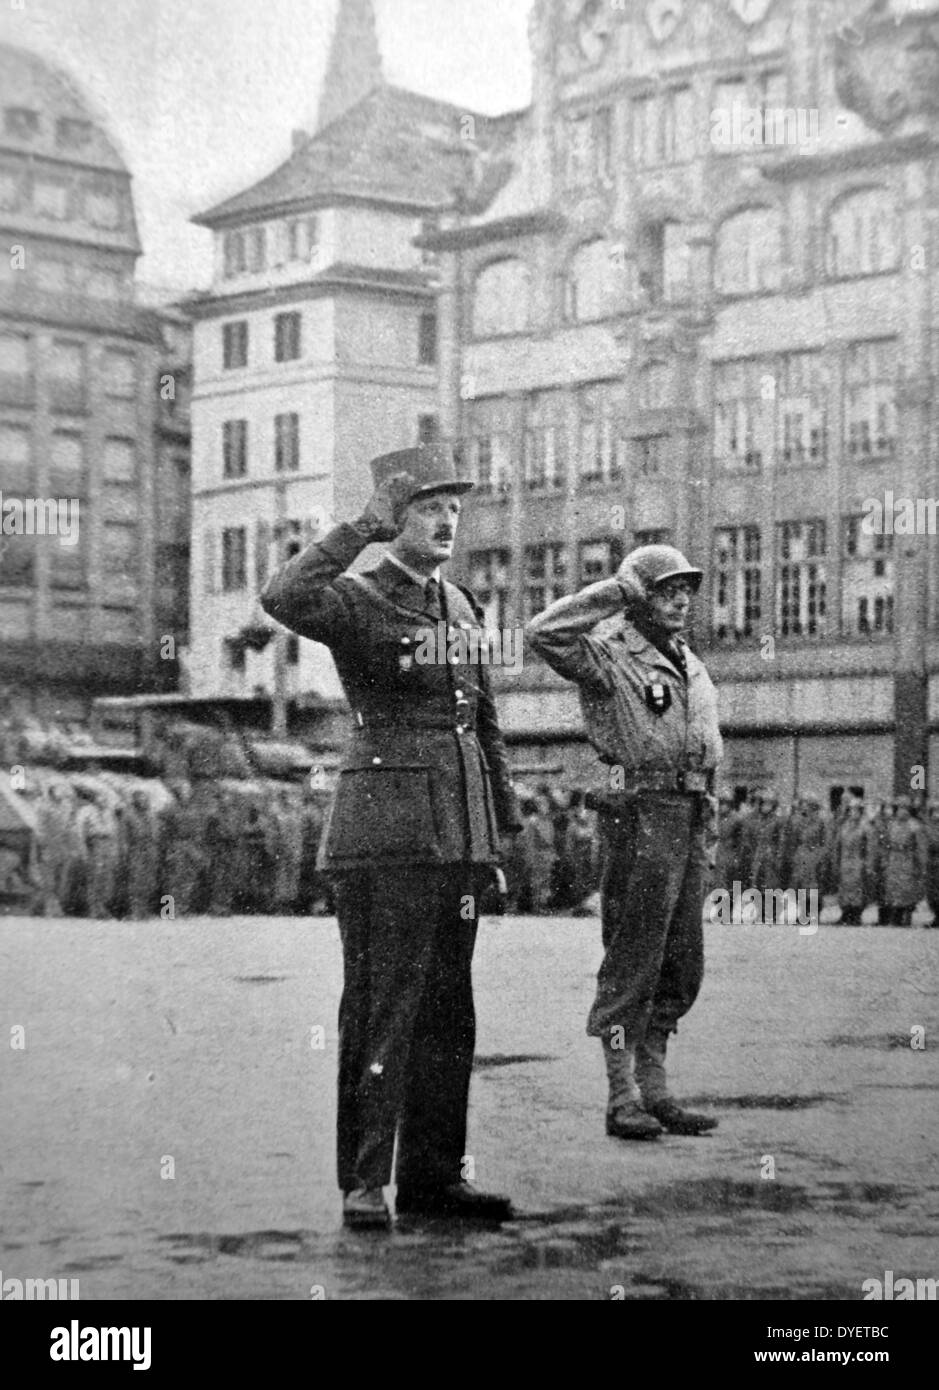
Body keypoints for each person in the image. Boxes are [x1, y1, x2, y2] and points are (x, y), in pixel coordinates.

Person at [261, 443, 520, 1229]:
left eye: (452, 509)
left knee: (450, 1012)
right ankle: (365, 1180)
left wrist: (496, 836)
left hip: (458, 838)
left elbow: (483, 724)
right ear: (392, 516)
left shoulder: (464, 607)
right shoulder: (355, 596)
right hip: (387, 835)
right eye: (426, 508)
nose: (445, 521)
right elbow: (281, 594)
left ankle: (436, 1178)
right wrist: (358, 530)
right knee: (383, 1007)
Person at [526, 544, 722, 1141]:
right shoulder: (608, 655)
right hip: (639, 811)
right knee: (633, 954)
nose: (681, 599)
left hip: (690, 811)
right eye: (665, 589)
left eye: (685, 588)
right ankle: (621, 1095)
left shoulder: (688, 660)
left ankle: (656, 1089)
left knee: (681, 956)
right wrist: (616, 590)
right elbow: (543, 632)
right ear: (640, 597)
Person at [882, 795, 925, 927]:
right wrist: (885, 859)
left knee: (907, 888)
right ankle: (896, 916)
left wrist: (921, 864)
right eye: (900, 807)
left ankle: (907, 915)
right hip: (894, 858)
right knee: (893, 887)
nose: (902, 810)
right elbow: (886, 844)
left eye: (905, 807)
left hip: (908, 858)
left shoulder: (915, 826)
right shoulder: (892, 824)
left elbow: (921, 847)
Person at [834, 799, 870, 926]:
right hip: (845, 860)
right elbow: (838, 845)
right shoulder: (844, 826)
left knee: (857, 888)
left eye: (856, 810)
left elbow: (869, 847)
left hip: (858, 860)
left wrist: (868, 863)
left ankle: (856, 915)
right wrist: (837, 861)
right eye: (851, 810)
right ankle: (845, 913)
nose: (853, 813)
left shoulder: (865, 826)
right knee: (844, 887)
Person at [924, 801, 939, 928]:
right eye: (934, 811)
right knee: (932, 892)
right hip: (932, 863)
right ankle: (936, 915)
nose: (936, 815)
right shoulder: (929, 827)